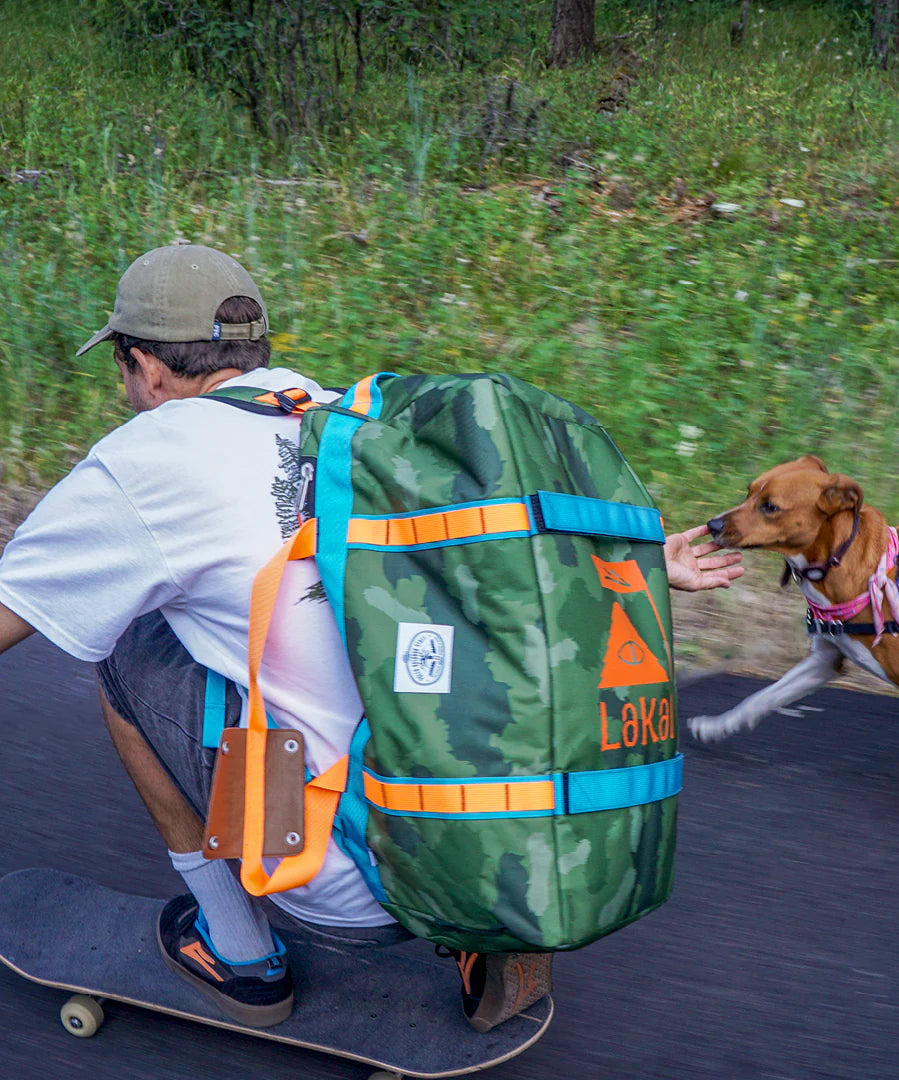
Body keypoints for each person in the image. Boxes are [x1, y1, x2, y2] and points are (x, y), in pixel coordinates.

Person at [0, 242, 743, 1031]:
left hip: (342, 867)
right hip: (467, 819)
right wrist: (637, 566)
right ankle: (472, 915)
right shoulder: (355, 423)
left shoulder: (143, 463)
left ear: (147, 366)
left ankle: (241, 954)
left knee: (124, 647)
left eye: (122, 366)